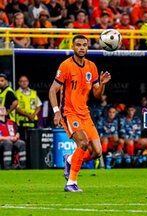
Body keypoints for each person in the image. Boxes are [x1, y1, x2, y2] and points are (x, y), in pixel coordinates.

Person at [48, 34, 111, 192]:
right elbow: (52, 90)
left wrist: (102, 84)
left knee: (97, 152)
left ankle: (70, 159)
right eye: (78, 45)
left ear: (87, 47)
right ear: (73, 47)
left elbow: (97, 94)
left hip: (85, 113)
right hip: (69, 112)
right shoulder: (66, 66)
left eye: (84, 45)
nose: (81, 47)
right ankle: (71, 183)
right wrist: (56, 112)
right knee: (82, 143)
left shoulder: (92, 66)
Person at [0, 105, 26, 169]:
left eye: (4, 108)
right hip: (3, 141)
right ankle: (7, 166)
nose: (3, 110)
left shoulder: (10, 122)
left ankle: (23, 166)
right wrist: (8, 138)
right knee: (8, 143)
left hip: (12, 139)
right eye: (0, 109)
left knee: (21, 143)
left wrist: (16, 137)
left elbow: (17, 132)